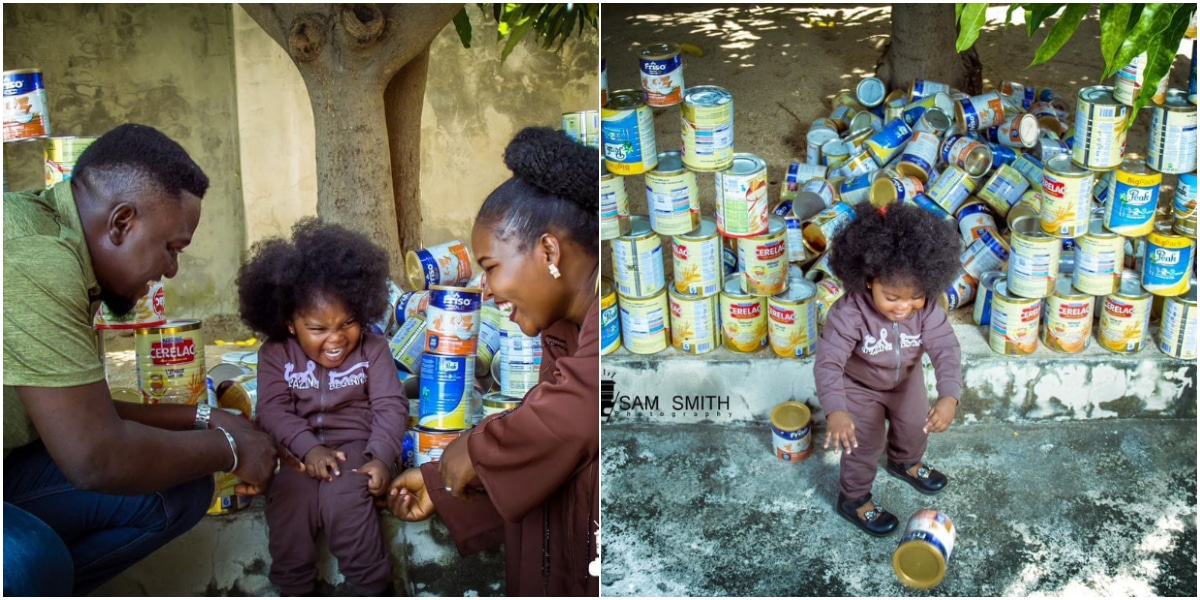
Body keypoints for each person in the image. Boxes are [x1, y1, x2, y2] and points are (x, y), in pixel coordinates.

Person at [3, 123, 280, 595]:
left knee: (177, 491)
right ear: (122, 222)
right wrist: (233, 450)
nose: (170, 270)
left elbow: (80, 413)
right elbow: (94, 457)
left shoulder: (62, 240)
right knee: (32, 559)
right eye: (172, 248)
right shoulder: (35, 260)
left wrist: (203, 418)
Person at [384, 127, 599, 596]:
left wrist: (473, 453)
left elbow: (574, 421)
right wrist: (440, 485)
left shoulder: (611, 323)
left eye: (490, 267)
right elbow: (550, 461)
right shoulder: (562, 330)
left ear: (548, 251)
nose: (484, 289)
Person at [238, 218, 408, 596]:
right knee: (289, 501)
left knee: (346, 497)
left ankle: (371, 586)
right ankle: (295, 587)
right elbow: (273, 410)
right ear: (290, 323)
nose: (336, 339)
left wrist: (380, 458)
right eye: (318, 328)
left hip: (355, 452)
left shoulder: (373, 349)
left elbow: (391, 407)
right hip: (295, 453)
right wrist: (308, 448)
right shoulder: (275, 353)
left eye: (347, 323)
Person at [815, 201, 963, 537]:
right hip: (858, 387)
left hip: (905, 381)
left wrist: (949, 395)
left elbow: (946, 348)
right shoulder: (849, 312)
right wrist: (836, 410)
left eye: (915, 298)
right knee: (863, 443)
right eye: (892, 297)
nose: (904, 307)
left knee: (915, 427)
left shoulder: (927, 310)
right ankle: (853, 499)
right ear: (868, 280)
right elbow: (828, 363)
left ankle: (904, 461)